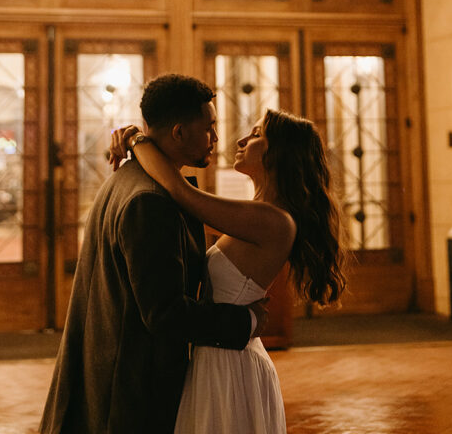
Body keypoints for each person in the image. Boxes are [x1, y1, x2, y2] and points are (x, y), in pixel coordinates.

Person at [39, 73, 267, 434]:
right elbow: (165, 314)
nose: (216, 139)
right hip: (130, 389)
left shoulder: (125, 179)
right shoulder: (151, 201)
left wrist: (133, 137)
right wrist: (244, 322)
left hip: (105, 370)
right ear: (178, 133)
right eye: (208, 127)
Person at [110, 105, 347, 434]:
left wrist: (137, 139)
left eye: (257, 135)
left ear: (280, 154)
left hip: (229, 363)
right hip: (219, 351)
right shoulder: (258, 212)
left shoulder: (274, 220)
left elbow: (180, 192)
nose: (241, 140)